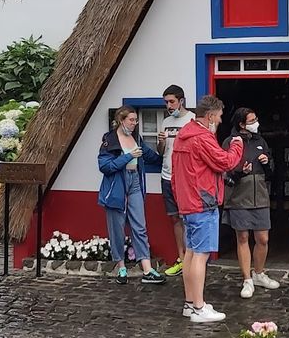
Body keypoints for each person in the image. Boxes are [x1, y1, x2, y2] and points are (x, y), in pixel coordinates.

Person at [171, 94, 245, 322]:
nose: (221, 121)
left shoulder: (183, 136)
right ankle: (199, 307)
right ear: (210, 116)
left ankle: (189, 303)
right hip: (202, 202)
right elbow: (225, 162)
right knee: (201, 255)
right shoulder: (202, 138)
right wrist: (237, 146)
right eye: (220, 116)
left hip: (187, 201)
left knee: (190, 253)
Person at [98, 106, 164, 283]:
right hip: (117, 184)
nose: (135, 123)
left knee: (139, 225)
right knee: (117, 228)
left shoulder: (136, 138)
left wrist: (166, 153)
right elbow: (105, 166)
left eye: (136, 120)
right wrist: (128, 157)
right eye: (131, 120)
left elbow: (151, 157)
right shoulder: (109, 139)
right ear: (121, 120)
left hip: (134, 181)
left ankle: (147, 269)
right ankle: (121, 267)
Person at [223, 107, 281, 298]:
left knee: (263, 238)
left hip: (261, 196)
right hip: (239, 197)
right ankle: (247, 279)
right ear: (241, 124)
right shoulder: (230, 142)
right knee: (242, 238)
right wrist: (241, 171)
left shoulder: (260, 141)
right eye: (252, 120)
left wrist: (267, 163)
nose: (256, 122)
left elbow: (271, 172)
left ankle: (259, 273)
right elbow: (225, 171)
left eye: (256, 118)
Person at [155, 84, 194, 276]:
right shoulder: (165, 121)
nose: (169, 105)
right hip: (167, 175)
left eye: (171, 101)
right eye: (166, 102)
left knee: (188, 218)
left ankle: (192, 259)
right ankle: (181, 258)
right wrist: (161, 142)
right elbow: (161, 152)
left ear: (181, 101)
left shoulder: (193, 120)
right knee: (175, 218)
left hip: (185, 178)